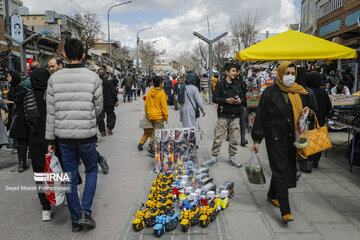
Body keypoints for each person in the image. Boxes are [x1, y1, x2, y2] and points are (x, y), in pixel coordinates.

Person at [46, 38, 103, 232]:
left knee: (69, 176)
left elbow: (51, 113)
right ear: (84, 55)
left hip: (64, 137)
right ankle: (85, 213)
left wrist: (49, 140)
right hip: (86, 136)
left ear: (64, 55)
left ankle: (74, 218)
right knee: (91, 170)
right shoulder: (93, 77)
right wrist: (86, 117)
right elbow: (98, 107)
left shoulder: (53, 79)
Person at [251, 62, 314, 224]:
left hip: (293, 137)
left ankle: (272, 194)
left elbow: (311, 110)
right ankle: (285, 211)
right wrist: (257, 139)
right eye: (287, 73)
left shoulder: (300, 92)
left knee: (284, 168)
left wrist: (307, 111)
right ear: (280, 74)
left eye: (293, 73)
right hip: (275, 138)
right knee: (280, 171)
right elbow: (261, 117)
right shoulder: (269, 93)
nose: (290, 76)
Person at [202, 63, 244, 168]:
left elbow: (243, 98)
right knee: (218, 137)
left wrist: (240, 100)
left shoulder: (238, 84)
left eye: (235, 71)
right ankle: (214, 158)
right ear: (227, 72)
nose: (235, 73)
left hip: (235, 115)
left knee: (234, 138)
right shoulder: (220, 85)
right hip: (223, 115)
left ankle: (232, 158)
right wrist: (226, 100)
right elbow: (214, 99)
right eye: (233, 71)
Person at [28, 66, 53, 221]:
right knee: (57, 169)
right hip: (52, 139)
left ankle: (45, 209)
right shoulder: (51, 96)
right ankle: (61, 196)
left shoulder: (27, 96)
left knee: (39, 174)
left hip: (35, 140)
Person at [305, 72, 332, 170]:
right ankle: (315, 161)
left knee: (307, 140)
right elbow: (329, 107)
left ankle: (307, 160)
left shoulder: (305, 91)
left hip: (307, 121)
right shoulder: (323, 92)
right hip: (320, 121)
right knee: (318, 140)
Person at [6, 70, 29, 173]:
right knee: (21, 142)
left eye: (8, 76)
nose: (7, 78)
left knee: (21, 142)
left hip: (21, 118)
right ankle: (22, 163)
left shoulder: (20, 89)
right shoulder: (16, 89)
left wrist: (10, 101)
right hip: (18, 118)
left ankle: (22, 163)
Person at [144, 76, 168, 156]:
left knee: (155, 131)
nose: (164, 84)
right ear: (160, 83)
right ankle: (154, 149)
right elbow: (164, 107)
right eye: (163, 82)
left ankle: (151, 145)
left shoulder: (150, 92)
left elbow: (146, 105)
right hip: (158, 117)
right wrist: (166, 117)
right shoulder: (162, 93)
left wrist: (148, 113)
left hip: (151, 115)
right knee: (158, 132)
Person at [97, 69, 118, 136]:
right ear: (105, 75)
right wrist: (116, 100)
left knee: (100, 117)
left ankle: (102, 131)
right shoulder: (109, 81)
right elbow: (113, 92)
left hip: (100, 102)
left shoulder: (97, 82)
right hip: (109, 102)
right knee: (111, 115)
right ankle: (109, 128)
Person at [235, 65, 248, 146]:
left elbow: (244, 93)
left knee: (242, 121)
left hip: (240, 104)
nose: (235, 73)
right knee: (233, 121)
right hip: (233, 105)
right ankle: (230, 135)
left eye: (236, 71)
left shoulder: (242, 81)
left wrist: (244, 104)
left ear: (239, 71)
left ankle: (243, 138)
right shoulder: (231, 81)